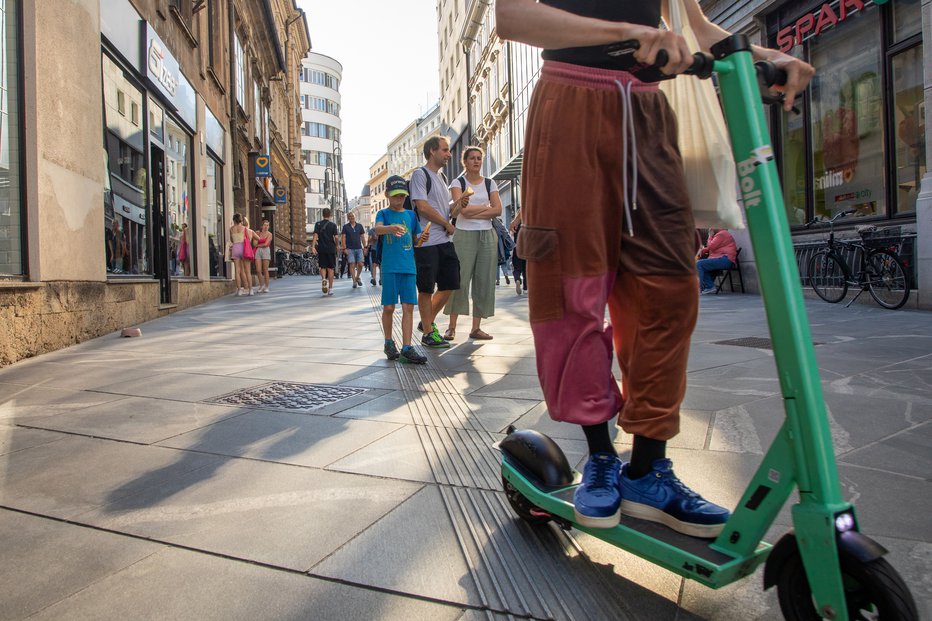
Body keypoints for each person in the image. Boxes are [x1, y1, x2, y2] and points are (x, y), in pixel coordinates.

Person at [496, 0, 814, 534]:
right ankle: (600, 456)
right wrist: (628, 33)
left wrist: (761, 53)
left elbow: (695, 25)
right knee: (572, 295)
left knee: (670, 290)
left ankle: (646, 469)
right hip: (569, 104)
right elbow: (512, 18)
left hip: (648, 112)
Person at [410, 135, 469, 349]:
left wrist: (458, 204)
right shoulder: (420, 174)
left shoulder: (442, 178)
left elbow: (446, 209)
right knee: (426, 289)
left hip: (444, 240)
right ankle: (428, 332)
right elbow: (422, 207)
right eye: (445, 150)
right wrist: (446, 223)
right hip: (426, 241)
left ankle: (426, 323)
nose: (449, 153)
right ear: (432, 151)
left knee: (451, 283)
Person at [443, 146, 501, 341]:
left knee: (484, 281)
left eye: (479, 158)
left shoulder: (489, 183)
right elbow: (463, 211)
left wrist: (479, 209)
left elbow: (498, 210)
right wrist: (485, 207)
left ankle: (476, 328)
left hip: (487, 235)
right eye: (472, 158)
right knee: (460, 280)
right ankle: (451, 327)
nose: (476, 161)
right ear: (465, 162)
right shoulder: (457, 182)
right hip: (464, 234)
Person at [375, 176, 429, 365]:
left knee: (408, 307)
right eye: (396, 195)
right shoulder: (383, 213)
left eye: (402, 196)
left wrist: (422, 238)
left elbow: (416, 241)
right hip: (390, 267)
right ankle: (389, 342)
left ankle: (407, 347)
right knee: (389, 307)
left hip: (408, 267)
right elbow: (378, 229)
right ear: (387, 194)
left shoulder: (411, 215)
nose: (399, 199)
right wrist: (391, 228)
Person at [696, 228, 737, 294]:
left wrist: (710, 236)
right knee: (700, 265)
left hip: (725, 260)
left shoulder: (721, 234)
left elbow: (710, 246)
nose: (710, 228)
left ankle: (700, 288)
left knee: (699, 264)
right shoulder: (720, 234)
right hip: (723, 259)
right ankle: (709, 286)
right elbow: (711, 247)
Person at [311, 208, 339, 296]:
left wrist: (313, 247)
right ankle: (330, 288)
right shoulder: (333, 225)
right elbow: (337, 237)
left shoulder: (318, 224)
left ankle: (323, 279)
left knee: (322, 267)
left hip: (321, 248)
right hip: (331, 249)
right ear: (330, 215)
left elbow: (315, 235)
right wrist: (337, 245)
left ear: (322, 215)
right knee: (330, 268)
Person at [229, 213, 255, 296]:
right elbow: (249, 239)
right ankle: (250, 290)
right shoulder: (245, 228)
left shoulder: (231, 229)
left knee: (237, 271)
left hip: (235, 248)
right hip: (243, 249)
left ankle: (239, 290)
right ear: (241, 220)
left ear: (234, 220)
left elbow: (231, 240)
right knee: (247, 271)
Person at [341, 213, 367, 288]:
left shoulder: (359, 226)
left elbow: (362, 237)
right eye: (350, 217)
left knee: (361, 264)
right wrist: (344, 248)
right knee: (352, 264)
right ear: (348, 218)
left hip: (359, 248)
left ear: (355, 217)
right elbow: (343, 238)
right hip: (350, 249)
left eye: (353, 216)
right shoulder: (345, 227)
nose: (352, 217)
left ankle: (357, 276)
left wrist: (365, 247)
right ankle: (354, 281)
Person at [509, 212, 527, 295]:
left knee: (517, 268)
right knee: (525, 269)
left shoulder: (515, 226)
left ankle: (517, 280)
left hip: (517, 249)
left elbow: (511, 239)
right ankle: (526, 288)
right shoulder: (526, 224)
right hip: (526, 249)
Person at [254, 218, 273, 293]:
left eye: (267, 225)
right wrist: (259, 245)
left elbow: (266, 244)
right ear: (262, 226)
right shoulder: (258, 233)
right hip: (258, 251)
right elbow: (254, 243)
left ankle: (266, 286)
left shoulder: (269, 234)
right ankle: (261, 285)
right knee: (258, 270)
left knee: (265, 269)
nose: (266, 227)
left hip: (266, 251)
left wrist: (258, 245)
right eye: (265, 225)